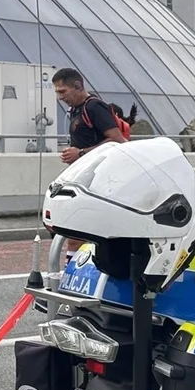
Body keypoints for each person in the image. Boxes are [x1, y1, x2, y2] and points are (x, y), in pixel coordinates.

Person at [52, 67, 129, 254]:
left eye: (62, 91)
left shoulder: (94, 107)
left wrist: (80, 153)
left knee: (76, 236)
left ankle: (71, 277)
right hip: (83, 177)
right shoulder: (76, 110)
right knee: (74, 233)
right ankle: (74, 273)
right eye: (57, 92)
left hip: (99, 179)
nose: (60, 97)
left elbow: (118, 140)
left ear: (77, 86)